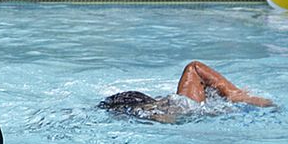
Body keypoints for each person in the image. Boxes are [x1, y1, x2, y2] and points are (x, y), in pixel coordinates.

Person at [99, 61, 275, 122]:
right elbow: (195, 67)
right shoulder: (176, 104)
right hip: (181, 109)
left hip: (173, 116)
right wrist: (233, 93)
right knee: (193, 68)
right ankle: (235, 94)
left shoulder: (150, 113)